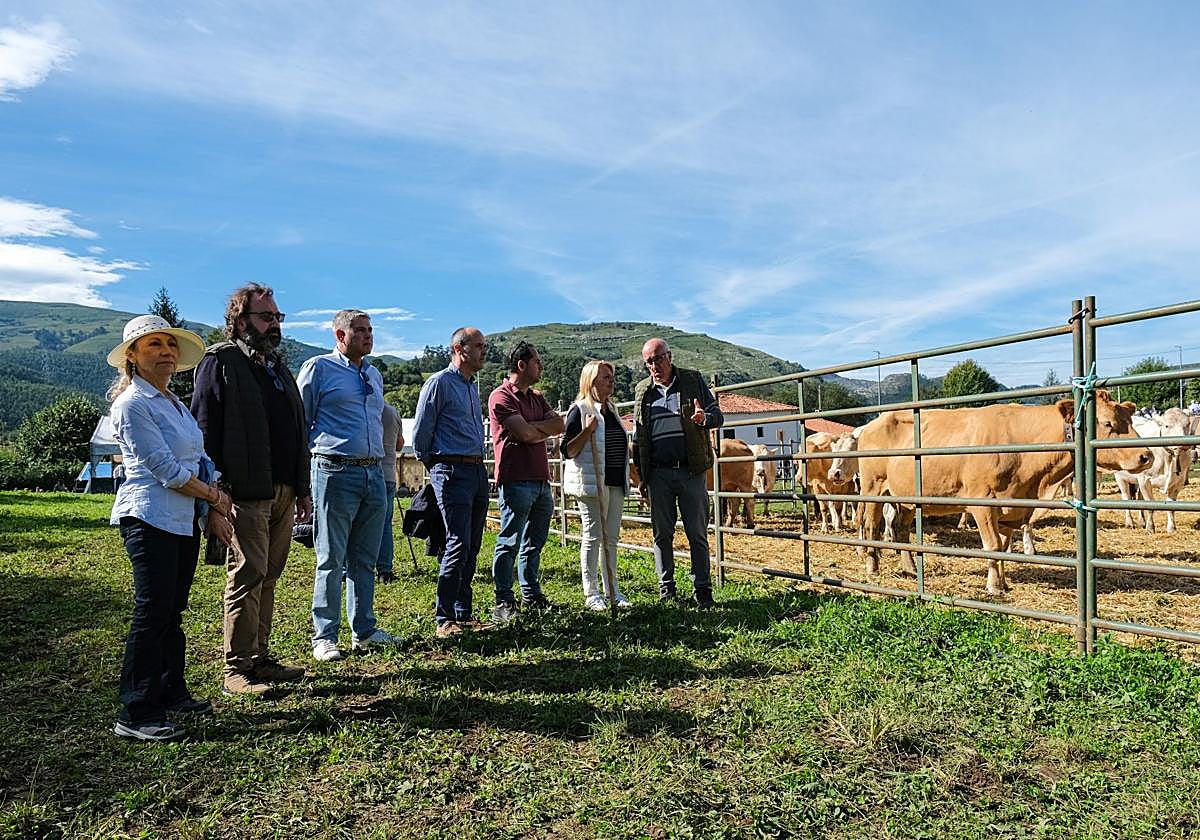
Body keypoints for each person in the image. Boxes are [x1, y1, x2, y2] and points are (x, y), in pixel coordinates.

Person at [106, 315, 233, 741]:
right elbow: (164, 469)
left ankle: (171, 691)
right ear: (132, 357)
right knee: (152, 610)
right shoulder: (132, 405)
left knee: (171, 610)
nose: (165, 351)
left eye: (169, 344)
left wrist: (212, 501)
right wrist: (214, 497)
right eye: (153, 345)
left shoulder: (173, 404)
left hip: (181, 520)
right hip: (148, 516)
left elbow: (198, 459)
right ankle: (137, 711)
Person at [190, 283, 312, 697]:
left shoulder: (275, 367)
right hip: (242, 491)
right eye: (266, 318)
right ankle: (236, 668)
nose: (274, 325)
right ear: (241, 321)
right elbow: (204, 430)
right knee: (247, 573)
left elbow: (297, 431)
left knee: (269, 574)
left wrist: (302, 487)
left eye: (278, 317)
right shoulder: (219, 362)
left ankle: (259, 657)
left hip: (282, 490)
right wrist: (215, 494)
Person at [296, 310, 398, 662]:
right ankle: (324, 635)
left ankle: (364, 630)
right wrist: (301, 479)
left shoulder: (373, 374)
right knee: (331, 557)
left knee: (364, 558)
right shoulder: (319, 369)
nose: (368, 336)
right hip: (334, 470)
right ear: (340, 335)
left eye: (370, 330)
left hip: (372, 472)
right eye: (360, 331)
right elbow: (301, 422)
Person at [632, 338, 724, 607]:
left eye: (658, 358)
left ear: (670, 356)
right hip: (658, 473)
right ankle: (666, 589)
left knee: (697, 532)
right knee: (662, 533)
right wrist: (642, 476)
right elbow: (639, 437)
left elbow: (717, 415)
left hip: (690, 471)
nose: (654, 365)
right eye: (649, 361)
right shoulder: (643, 392)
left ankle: (702, 590)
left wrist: (704, 419)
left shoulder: (693, 381)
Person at [412, 326, 489, 638]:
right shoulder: (439, 384)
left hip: (475, 469)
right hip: (452, 468)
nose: (485, 351)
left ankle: (462, 612)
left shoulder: (471, 387)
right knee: (457, 540)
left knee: (471, 542)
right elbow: (420, 435)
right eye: (479, 346)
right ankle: (444, 617)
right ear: (460, 349)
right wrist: (437, 465)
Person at [488, 341, 564, 623]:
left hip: (540, 480)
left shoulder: (536, 397)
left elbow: (559, 426)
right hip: (516, 479)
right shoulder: (500, 396)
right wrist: (536, 429)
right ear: (522, 365)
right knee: (509, 541)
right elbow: (527, 435)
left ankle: (531, 594)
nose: (540, 366)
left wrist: (532, 429)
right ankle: (504, 600)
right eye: (537, 362)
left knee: (535, 541)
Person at [562, 360, 632, 610]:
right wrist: (587, 431)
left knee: (611, 539)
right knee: (592, 537)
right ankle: (591, 593)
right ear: (591, 382)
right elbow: (567, 450)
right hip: (591, 484)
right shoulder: (579, 410)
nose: (611, 381)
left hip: (614, 482)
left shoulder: (611, 410)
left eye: (611, 377)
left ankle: (613, 589)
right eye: (605, 377)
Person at [376, 401, 405, 583]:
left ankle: (349, 568)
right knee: (385, 524)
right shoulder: (393, 412)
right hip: (388, 474)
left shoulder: (363, 407)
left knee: (356, 523)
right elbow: (399, 445)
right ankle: (385, 569)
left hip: (370, 470)